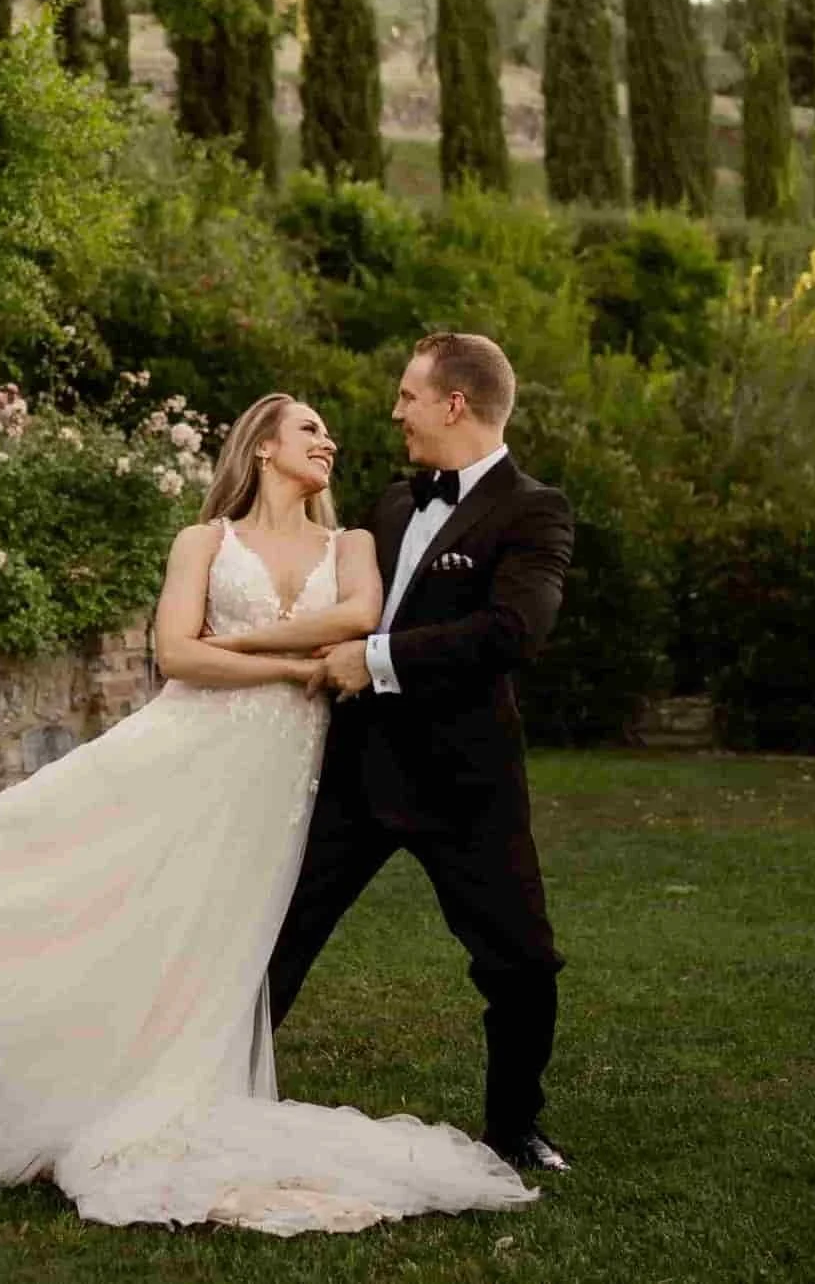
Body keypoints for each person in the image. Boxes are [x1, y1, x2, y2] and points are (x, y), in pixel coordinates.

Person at [0, 388, 540, 1234]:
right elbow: (177, 655)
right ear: (261, 448)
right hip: (186, 743)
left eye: (332, 427)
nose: (333, 439)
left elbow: (360, 618)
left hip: (276, 782)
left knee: (206, 932)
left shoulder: (356, 538)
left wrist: (240, 645)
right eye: (310, 428)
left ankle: (154, 1084)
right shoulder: (201, 541)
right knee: (45, 842)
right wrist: (295, 669)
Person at [266, 332, 578, 1177]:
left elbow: (515, 630)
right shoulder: (395, 502)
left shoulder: (533, 510)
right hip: (357, 767)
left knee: (519, 962)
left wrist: (375, 661)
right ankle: (214, 1093)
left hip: (465, 778)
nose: (395, 411)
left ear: (454, 403)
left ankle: (514, 1126)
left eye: (408, 396)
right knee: (273, 938)